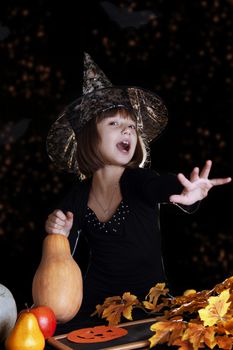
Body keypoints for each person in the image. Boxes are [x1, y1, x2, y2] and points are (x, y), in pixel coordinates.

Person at [43, 53, 231, 333]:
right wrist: (57, 230)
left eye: (131, 126)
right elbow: (62, 261)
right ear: (89, 137)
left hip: (149, 306)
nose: (128, 131)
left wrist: (187, 194)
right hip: (97, 308)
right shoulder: (77, 197)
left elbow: (162, 186)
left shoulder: (139, 181)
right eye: (115, 124)